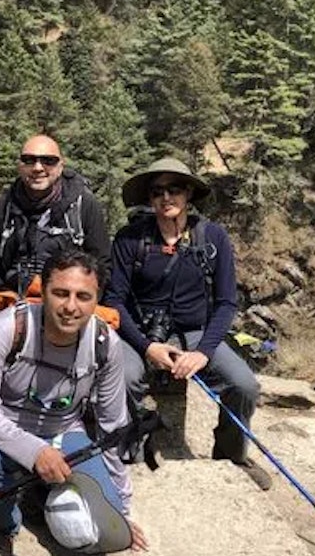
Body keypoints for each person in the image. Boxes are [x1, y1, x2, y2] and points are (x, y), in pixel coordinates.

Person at [0, 250, 148, 556]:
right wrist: (35, 452)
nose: (71, 307)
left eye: (83, 297)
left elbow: (113, 426)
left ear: (96, 300)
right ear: (43, 291)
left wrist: (121, 508)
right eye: (60, 293)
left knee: (104, 530)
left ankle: (37, 493)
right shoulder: (7, 328)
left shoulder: (105, 343)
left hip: (64, 432)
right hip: (0, 432)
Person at [104, 157, 270, 490]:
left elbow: (225, 303)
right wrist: (147, 346)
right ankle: (131, 456)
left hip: (196, 333)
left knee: (244, 386)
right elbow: (113, 301)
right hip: (142, 333)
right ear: (149, 198)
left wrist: (204, 352)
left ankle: (232, 454)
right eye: (157, 191)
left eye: (174, 189)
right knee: (123, 378)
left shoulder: (213, 239)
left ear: (189, 193)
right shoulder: (129, 239)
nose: (166, 197)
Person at [0, 134, 111, 320]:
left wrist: (82, 301)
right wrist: (2, 297)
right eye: (29, 160)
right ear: (20, 166)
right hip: (12, 305)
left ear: (61, 165)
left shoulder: (84, 207)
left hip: (69, 308)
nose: (38, 168)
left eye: (48, 161)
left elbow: (102, 264)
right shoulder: (0, 210)